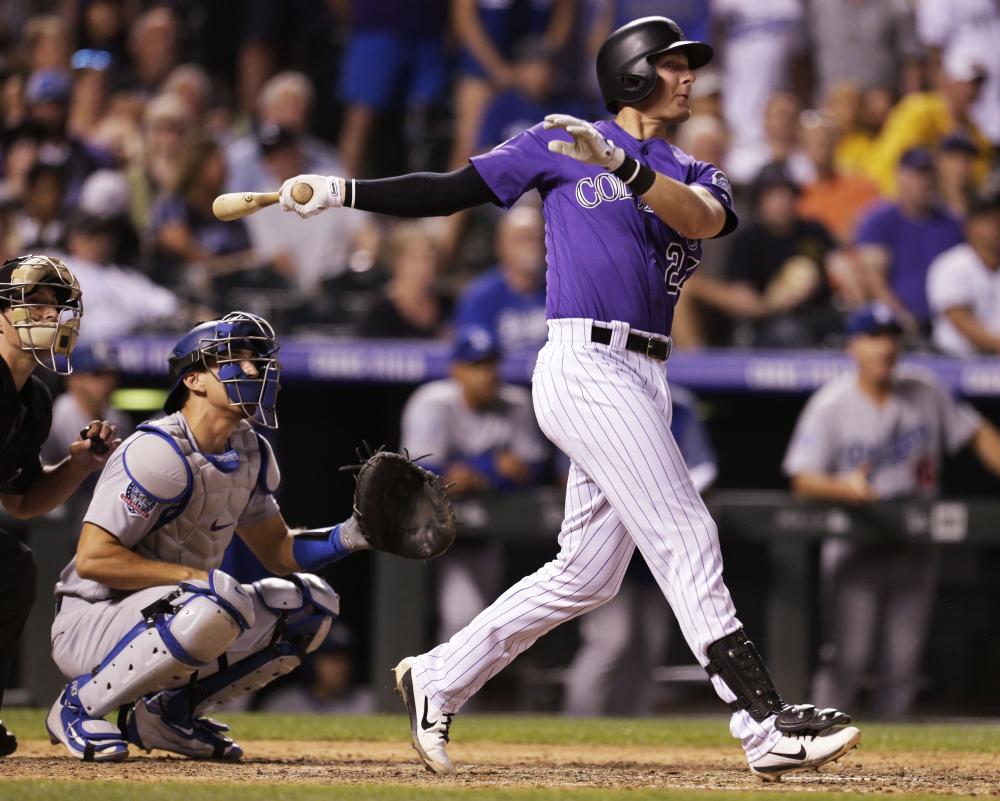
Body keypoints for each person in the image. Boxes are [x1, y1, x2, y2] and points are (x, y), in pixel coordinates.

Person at [277, 15, 859, 781]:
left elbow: (705, 220)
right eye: (674, 65)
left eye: (689, 66)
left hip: (648, 375)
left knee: (587, 574)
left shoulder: (691, 169)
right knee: (685, 532)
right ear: (632, 73)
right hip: (584, 362)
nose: (688, 77)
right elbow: (453, 189)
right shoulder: (555, 141)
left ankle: (440, 675)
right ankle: (760, 721)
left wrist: (625, 164)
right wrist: (344, 190)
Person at [45, 311, 386, 761]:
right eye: (235, 358)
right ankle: (78, 705)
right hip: (93, 618)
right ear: (194, 380)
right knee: (214, 595)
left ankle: (168, 714)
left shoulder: (250, 450)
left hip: (176, 614)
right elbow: (93, 559)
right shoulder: (156, 450)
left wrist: (351, 535)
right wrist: (190, 578)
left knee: (309, 605)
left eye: (256, 358)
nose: (253, 368)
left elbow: (278, 552)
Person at [783, 303, 1000, 719]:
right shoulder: (831, 403)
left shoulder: (925, 389)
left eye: (891, 337)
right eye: (873, 337)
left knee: (902, 666)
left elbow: (978, 434)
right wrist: (842, 486)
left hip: (914, 545)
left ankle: (892, 768)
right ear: (853, 346)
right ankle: (821, 742)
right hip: (856, 546)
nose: (884, 347)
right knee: (848, 660)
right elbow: (801, 479)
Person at [0, 254, 117, 757]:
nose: (50, 315)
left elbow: (22, 500)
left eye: (56, 305)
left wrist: (78, 466)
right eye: (35, 302)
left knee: (13, 567)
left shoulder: (38, 399)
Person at [563, 383, 717, 717]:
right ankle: (577, 725)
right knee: (611, 642)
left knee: (650, 646)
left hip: (658, 540)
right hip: (610, 534)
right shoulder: (592, 393)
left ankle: (628, 732)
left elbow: (703, 467)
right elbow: (568, 472)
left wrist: (665, 499)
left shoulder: (680, 403)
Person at [400, 325, 548, 640]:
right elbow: (420, 475)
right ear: (457, 371)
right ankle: (438, 685)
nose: (488, 374)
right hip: (433, 535)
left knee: (485, 622)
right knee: (463, 617)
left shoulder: (515, 403)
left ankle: (452, 686)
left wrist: (474, 475)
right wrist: (494, 467)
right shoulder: (432, 403)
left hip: (487, 536)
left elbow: (533, 468)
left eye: (492, 365)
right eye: (478, 366)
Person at [684, 164, 841, 348]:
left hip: (820, 311)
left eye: (787, 193)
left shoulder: (812, 230)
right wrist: (776, 301)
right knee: (789, 332)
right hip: (770, 322)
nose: (782, 201)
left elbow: (838, 264)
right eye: (774, 195)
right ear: (760, 199)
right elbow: (741, 295)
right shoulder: (748, 238)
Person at [854, 148, 964, 335]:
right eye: (916, 174)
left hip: (947, 318)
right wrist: (901, 316)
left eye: (928, 174)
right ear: (900, 177)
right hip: (895, 321)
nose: (923, 181)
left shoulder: (952, 223)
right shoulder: (878, 220)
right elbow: (874, 280)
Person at [453, 205, 548, 351]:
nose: (531, 246)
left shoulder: (559, 291)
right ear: (501, 245)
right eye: (521, 239)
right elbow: (471, 354)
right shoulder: (480, 296)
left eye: (536, 238)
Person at [927, 188, 1000, 356]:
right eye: (987, 219)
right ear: (969, 227)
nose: (996, 226)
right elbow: (960, 319)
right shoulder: (951, 265)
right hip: (954, 362)